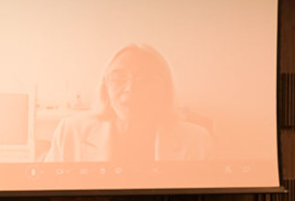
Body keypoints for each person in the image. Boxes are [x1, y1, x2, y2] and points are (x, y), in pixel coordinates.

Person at [44, 44, 212, 163]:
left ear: (164, 88)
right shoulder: (71, 131)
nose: (131, 88)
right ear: (105, 87)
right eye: (119, 78)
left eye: (145, 80)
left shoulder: (197, 140)